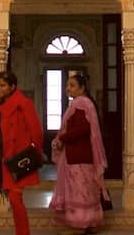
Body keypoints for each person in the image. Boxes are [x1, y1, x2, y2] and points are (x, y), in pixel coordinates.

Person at [48, 72, 107, 233]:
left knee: (80, 190)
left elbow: (83, 129)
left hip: (79, 154)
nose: (68, 89)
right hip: (78, 154)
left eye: (72, 86)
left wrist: (63, 138)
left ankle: (81, 224)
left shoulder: (82, 104)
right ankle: (87, 223)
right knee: (84, 190)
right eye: (67, 85)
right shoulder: (82, 104)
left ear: (82, 88)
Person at [0, 71, 43, 235]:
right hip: (4, 157)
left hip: (19, 158)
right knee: (14, 200)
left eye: (3, 85)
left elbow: (36, 130)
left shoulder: (23, 103)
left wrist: (36, 153)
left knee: (15, 199)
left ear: (12, 87)